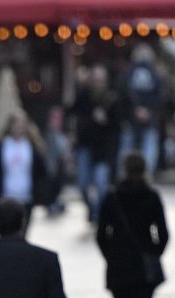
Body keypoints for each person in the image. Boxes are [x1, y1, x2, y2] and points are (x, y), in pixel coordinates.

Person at [95, 152, 169, 298]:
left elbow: (101, 234)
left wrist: (111, 255)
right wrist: (153, 252)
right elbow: (163, 233)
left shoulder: (112, 196)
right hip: (143, 271)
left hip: (118, 269)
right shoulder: (151, 196)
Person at [0, 112, 49, 232]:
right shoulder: (3, 145)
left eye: (21, 125)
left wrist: (44, 195)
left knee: (23, 232)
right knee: (7, 232)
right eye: (16, 125)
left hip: (26, 197)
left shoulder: (31, 146)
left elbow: (41, 173)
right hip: (6, 196)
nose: (18, 128)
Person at [72, 65, 122, 223]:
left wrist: (106, 121)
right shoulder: (83, 97)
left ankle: (99, 214)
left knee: (101, 183)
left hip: (103, 149)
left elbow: (118, 126)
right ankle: (92, 208)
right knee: (82, 183)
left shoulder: (112, 99)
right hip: (85, 146)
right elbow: (73, 115)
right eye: (95, 80)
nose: (97, 83)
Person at [121, 45, 165, 177]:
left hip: (131, 117)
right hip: (149, 118)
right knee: (149, 149)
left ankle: (126, 174)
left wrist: (135, 109)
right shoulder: (155, 73)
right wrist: (148, 110)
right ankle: (145, 176)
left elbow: (124, 93)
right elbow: (160, 96)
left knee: (128, 148)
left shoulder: (129, 72)